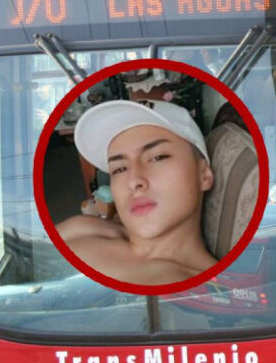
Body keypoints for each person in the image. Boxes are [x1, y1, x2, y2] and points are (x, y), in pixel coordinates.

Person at [57, 99, 216, 285]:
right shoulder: (81, 229)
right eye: (119, 169)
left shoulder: (215, 293)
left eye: (157, 158)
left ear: (204, 175)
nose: (133, 182)